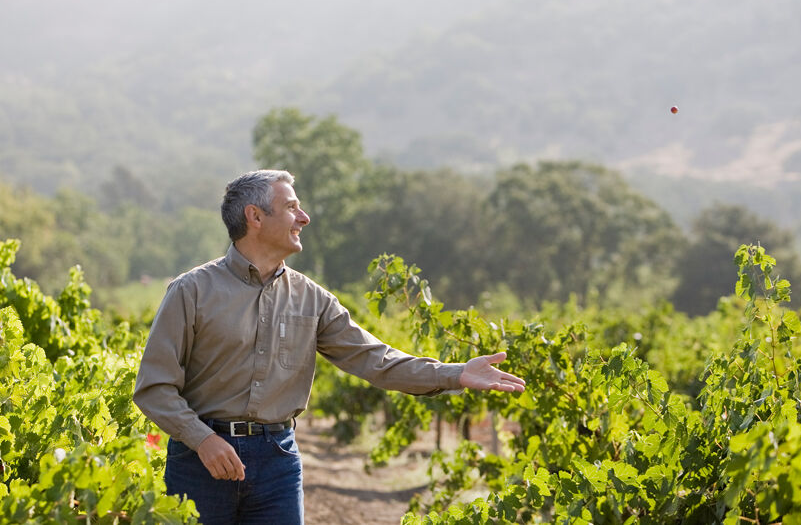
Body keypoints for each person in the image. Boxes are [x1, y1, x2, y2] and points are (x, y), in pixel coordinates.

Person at [133, 169, 525, 524]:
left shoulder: (313, 299)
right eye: (291, 207)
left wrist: (455, 373)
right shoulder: (192, 291)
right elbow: (154, 387)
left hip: (277, 461)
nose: (303, 218)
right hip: (199, 461)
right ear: (254, 217)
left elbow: (376, 360)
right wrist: (203, 440)